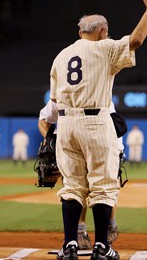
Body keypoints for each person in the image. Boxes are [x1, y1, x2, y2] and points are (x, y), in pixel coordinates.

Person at [47, 0, 147, 260]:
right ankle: (102, 245)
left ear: (79, 32)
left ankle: (70, 244)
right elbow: (136, 40)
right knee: (104, 185)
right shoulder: (105, 47)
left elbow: (55, 102)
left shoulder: (61, 56)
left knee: (72, 186)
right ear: (103, 31)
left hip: (66, 125)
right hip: (95, 123)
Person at [38, 99, 125, 251]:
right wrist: (50, 139)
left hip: (105, 143)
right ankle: (80, 233)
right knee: (77, 188)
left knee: (106, 187)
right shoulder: (62, 94)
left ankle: (109, 226)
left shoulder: (98, 93)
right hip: (73, 145)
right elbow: (44, 119)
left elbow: (117, 125)